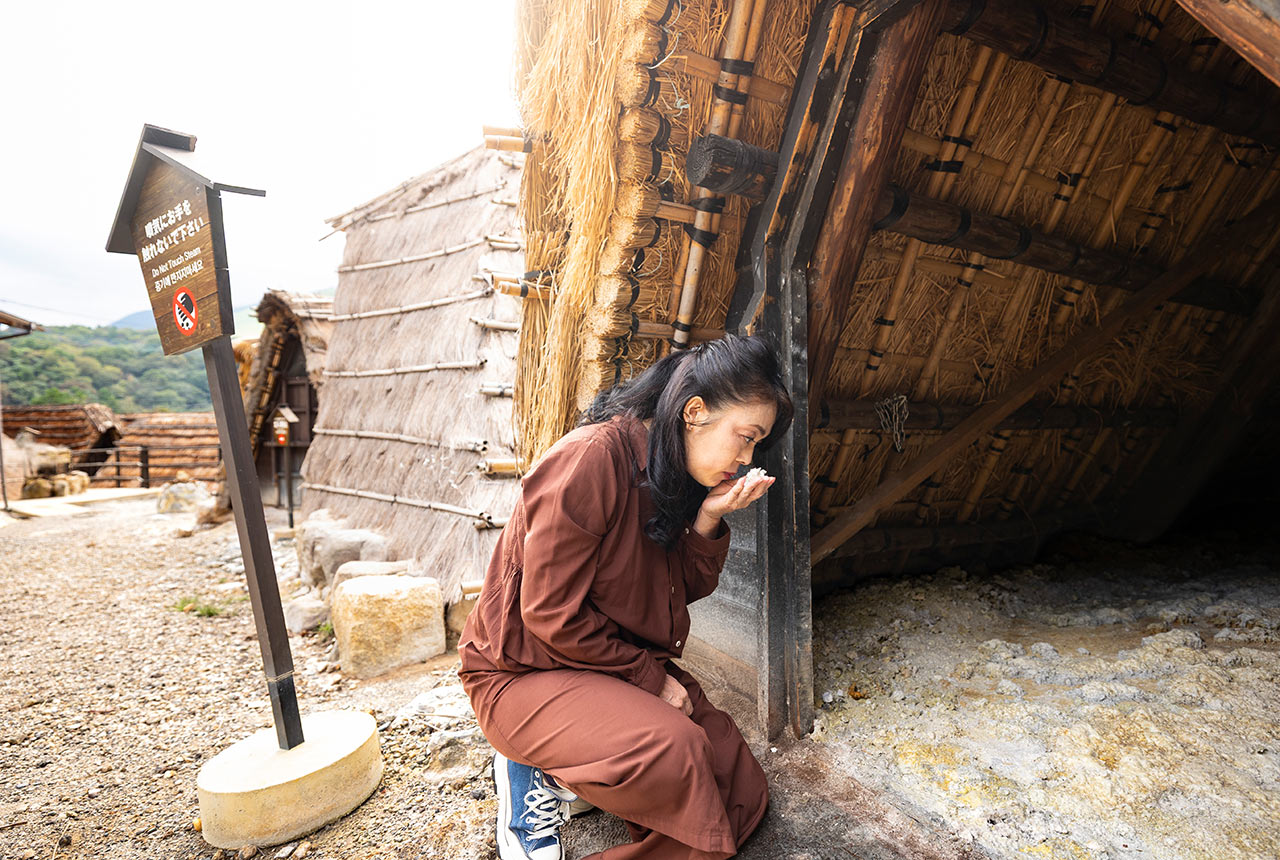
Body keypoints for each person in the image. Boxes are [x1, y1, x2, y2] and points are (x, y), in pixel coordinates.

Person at [458, 334, 794, 860]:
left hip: (598, 665)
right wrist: (651, 679)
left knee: (735, 774)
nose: (747, 458)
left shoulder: (673, 470)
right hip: (520, 673)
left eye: (756, 446)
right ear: (695, 411)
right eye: (746, 438)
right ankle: (530, 769)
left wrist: (708, 517)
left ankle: (577, 764)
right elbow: (549, 613)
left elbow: (678, 592)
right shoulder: (590, 460)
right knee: (676, 751)